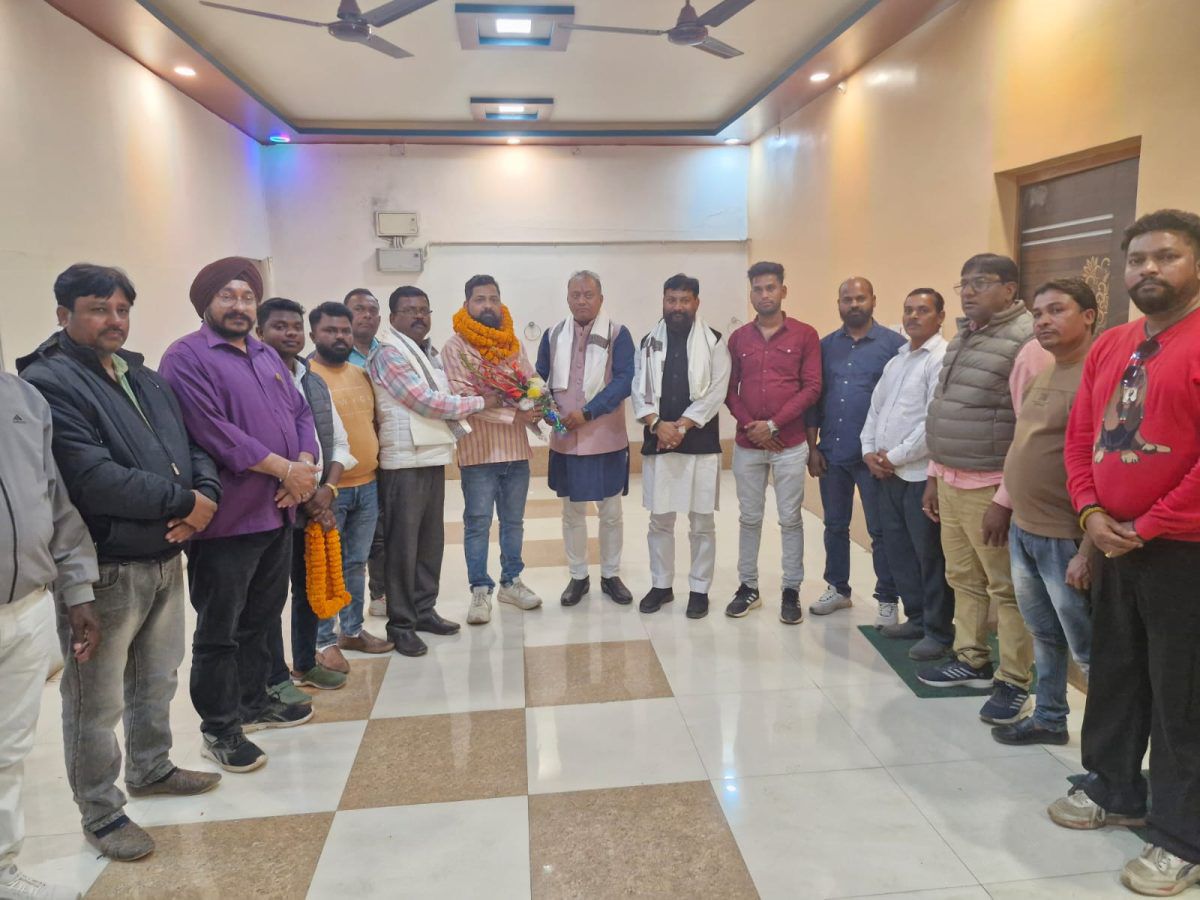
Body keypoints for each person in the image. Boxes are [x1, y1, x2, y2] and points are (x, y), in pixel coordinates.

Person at [18, 264, 222, 863]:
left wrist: (203, 497)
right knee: (96, 699)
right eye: (98, 308)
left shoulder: (141, 374)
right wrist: (185, 502)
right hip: (105, 564)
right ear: (64, 315)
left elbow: (193, 446)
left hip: (163, 554)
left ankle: (152, 767)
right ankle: (102, 812)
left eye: (122, 309)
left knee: (157, 676)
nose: (114, 320)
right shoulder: (48, 381)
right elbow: (90, 477)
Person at [1051, 209, 1200, 897]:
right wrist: (1090, 511)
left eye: (1166, 256)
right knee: (1115, 672)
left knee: (1182, 696)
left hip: (1183, 552)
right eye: (1137, 259)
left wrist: (1149, 523)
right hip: (1115, 541)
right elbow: (1082, 436)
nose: (1148, 269)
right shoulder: (1113, 344)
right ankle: (1115, 787)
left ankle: (1182, 835)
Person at [160, 257, 321, 774]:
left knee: (261, 618)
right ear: (205, 303)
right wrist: (283, 469)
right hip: (228, 520)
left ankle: (254, 702)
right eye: (227, 296)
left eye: (247, 297)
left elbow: (300, 412)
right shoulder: (185, 357)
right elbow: (211, 430)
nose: (239, 306)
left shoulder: (265, 353)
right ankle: (220, 728)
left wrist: (303, 465)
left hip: (278, 513)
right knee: (220, 629)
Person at [917, 254, 1050, 728]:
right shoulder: (965, 337)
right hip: (952, 479)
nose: (969, 292)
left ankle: (1014, 680)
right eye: (964, 284)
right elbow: (943, 408)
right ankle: (971, 658)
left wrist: (1004, 501)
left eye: (980, 283)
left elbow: (1030, 432)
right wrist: (934, 475)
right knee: (962, 578)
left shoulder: (1027, 344)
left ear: (1010, 289)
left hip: (991, 488)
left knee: (1007, 589)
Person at [0, 372, 99, 900]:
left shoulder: (22, 398)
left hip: (28, 605)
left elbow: (55, 501)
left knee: (8, 749)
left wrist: (77, 588)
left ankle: (3, 871)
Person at [991, 278, 1097, 746]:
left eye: (1057, 310)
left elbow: (1103, 468)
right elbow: (1025, 446)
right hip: (1026, 529)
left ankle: (1112, 751)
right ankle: (1050, 719)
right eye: (1037, 313)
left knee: (1088, 648)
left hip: (1065, 535)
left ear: (1088, 316)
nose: (1043, 321)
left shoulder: (1098, 377)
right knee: (1045, 634)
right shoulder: (1045, 372)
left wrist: (1088, 550)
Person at [367, 286, 494, 656]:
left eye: (424, 309)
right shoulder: (389, 352)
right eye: (409, 310)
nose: (419, 316)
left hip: (430, 456)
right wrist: (481, 401)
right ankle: (401, 624)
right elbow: (424, 402)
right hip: (403, 463)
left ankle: (424, 610)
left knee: (429, 542)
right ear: (393, 318)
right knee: (403, 547)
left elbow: (443, 396)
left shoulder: (427, 352)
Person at [441, 275, 543, 625]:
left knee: (514, 522)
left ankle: (511, 582)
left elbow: (530, 381)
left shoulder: (512, 343)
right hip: (478, 454)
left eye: (493, 298)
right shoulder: (455, 348)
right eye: (480, 299)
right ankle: (480, 589)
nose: (488, 305)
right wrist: (515, 411)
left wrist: (538, 402)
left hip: (516, 450)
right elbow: (464, 399)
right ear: (467, 304)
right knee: (478, 524)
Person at [860, 289, 956, 660]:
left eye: (923, 310)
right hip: (888, 475)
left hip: (918, 475)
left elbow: (933, 420)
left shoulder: (941, 358)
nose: (913, 316)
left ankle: (938, 630)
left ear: (940, 316)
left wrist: (895, 456)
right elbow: (875, 410)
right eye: (908, 310)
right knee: (898, 550)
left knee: (928, 555)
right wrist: (868, 450)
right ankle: (915, 617)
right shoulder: (898, 360)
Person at [724, 261, 821, 624]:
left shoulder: (805, 335)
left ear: (783, 290)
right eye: (758, 289)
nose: (764, 295)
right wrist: (753, 427)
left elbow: (812, 387)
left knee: (790, 519)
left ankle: (791, 589)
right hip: (748, 444)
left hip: (790, 444)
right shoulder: (738, 338)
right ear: (750, 293)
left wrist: (774, 425)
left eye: (770, 288)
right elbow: (729, 390)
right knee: (749, 518)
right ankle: (748, 587)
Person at [805, 277, 906, 622]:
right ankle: (838, 588)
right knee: (834, 525)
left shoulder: (894, 346)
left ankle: (887, 598)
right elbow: (815, 399)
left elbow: (901, 404)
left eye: (860, 298)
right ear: (839, 304)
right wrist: (812, 447)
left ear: (873, 300)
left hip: (874, 458)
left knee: (880, 530)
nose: (854, 304)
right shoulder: (825, 346)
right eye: (847, 299)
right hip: (832, 451)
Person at [632, 273, 732, 620]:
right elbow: (638, 389)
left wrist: (683, 425)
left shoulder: (714, 341)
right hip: (659, 441)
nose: (677, 307)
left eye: (684, 300)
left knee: (701, 523)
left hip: (700, 443)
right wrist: (657, 425)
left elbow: (717, 391)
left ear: (696, 303)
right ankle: (661, 585)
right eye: (671, 300)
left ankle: (699, 589)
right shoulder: (648, 342)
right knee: (660, 521)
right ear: (663, 301)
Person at [535, 271, 635, 607]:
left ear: (601, 299)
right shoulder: (553, 334)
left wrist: (588, 412)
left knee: (611, 511)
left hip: (605, 438)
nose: (582, 300)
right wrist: (547, 411)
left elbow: (624, 380)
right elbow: (539, 379)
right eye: (575, 295)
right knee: (572, 511)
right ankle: (578, 576)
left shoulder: (618, 334)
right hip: (565, 439)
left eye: (588, 295)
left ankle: (611, 574)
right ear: (567, 299)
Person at [306, 302, 393, 663]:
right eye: (330, 330)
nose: (339, 337)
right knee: (326, 565)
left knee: (356, 563)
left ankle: (352, 631)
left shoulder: (361, 374)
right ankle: (322, 641)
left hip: (368, 485)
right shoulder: (307, 377)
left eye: (344, 330)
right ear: (313, 334)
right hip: (329, 491)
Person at [343, 288, 387, 619]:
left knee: (383, 531)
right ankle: (344, 613)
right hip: (343, 467)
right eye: (359, 309)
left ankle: (381, 592)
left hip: (385, 455)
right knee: (349, 543)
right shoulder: (331, 357)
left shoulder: (388, 354)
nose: (367, 315)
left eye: (372, 310)